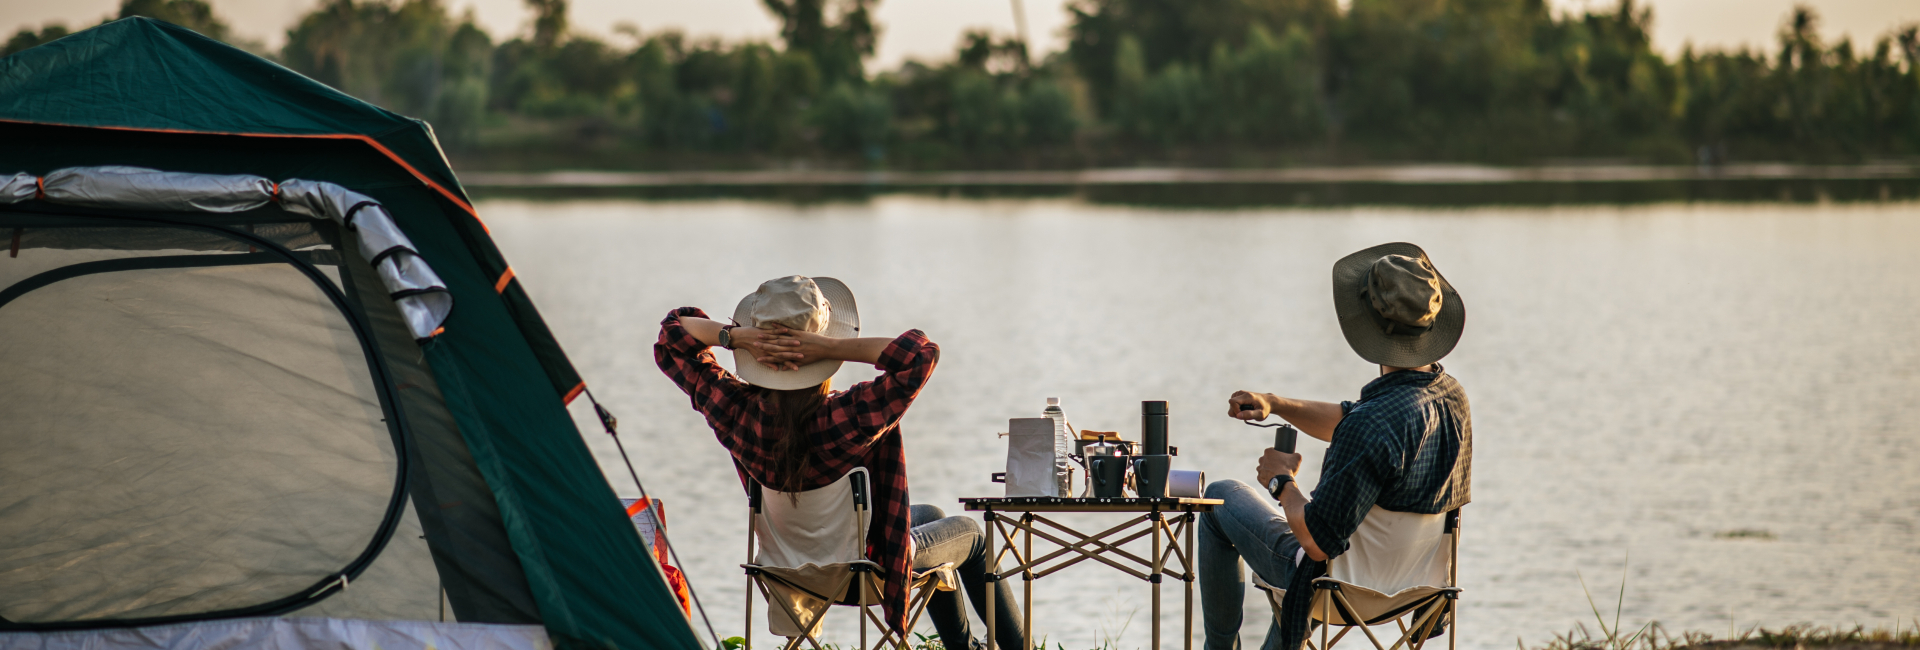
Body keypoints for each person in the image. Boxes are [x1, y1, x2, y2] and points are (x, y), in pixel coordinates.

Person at [654, 275, 1026, 650]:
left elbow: (673, 334)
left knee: (931, 513)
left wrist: (735, 337)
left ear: (755, 355)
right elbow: (920, 355)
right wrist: (831, 346)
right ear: (819, 355)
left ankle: (963, 647)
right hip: (866, 573)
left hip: (789, 573)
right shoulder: (848, 414)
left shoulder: (734, 411)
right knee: (971, 535)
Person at [1198, 243, 1474, 650]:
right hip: (1416, 588)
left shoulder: (1371, 424)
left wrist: (1282, 482)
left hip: (1336, 588)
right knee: (1323, 556)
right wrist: (1275, 404)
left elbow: (1314, 539)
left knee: (1220, 498)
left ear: (1365, 325)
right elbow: (1353, 419)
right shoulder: (1451, 398)